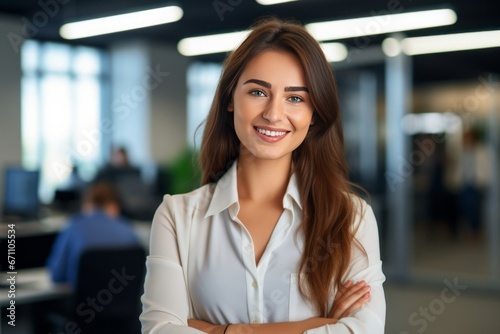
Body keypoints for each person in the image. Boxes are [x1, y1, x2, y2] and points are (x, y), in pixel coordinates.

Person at [140, 17, 385, 334]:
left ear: (314, 114)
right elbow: (159, 331)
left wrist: (217, 330)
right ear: (230, 99)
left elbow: (365, 331)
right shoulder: (177, 217)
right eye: (258, 92)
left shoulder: (351, 217)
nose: (273, 113)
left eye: (295, 98)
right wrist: (315, 326)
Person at [47, 181, 140, 287]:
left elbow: (57, 274)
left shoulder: (73, 227)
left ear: (86, 205)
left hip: (82, 302)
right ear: (115, 206)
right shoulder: (128, 229)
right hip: (124, 302)